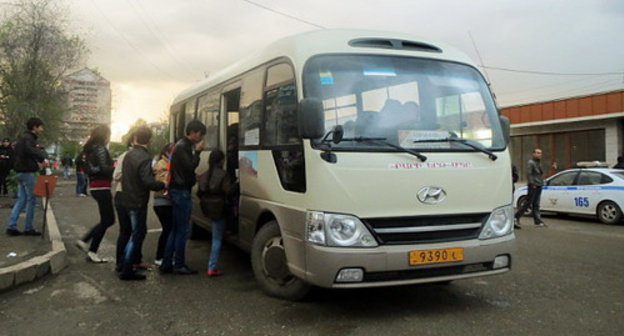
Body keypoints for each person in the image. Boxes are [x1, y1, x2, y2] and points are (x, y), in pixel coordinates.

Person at [117, 126, 165, 280]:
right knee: (137, 235)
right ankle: (127, 268)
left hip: (127, 198)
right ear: (149, 140)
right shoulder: (144, 158)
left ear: (135, 138)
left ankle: (124, 263)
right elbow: (147, 182)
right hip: (138, 201)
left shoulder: (128, 155)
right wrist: (162, 184)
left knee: (132, 233)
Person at [160, 120, 206, 275]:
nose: (200, 138)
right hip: (181, 191)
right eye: (200, 134)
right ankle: (179, 264)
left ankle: (167, 263)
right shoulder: (183, 146)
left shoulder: (179, 145)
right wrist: (198, 152)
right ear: (193, 132)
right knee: (182, 230)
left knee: (174, 229)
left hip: (176, 190)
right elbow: (190, 166)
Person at [76, 126, 115, 262]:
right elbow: (105, 168)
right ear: (104, 136)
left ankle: (90, 248)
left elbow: (88, 168)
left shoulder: (88, 150)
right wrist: (115, 167)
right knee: (109, 220)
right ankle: (87, 243)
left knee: (106, 220)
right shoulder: (100, 149)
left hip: (94, 186)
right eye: (108, 135)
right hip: (102, 186)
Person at [6, 118, 47, 236]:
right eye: (40, 127)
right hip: (27, 171)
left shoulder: (22, 138)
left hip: (19, 171)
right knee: (32, 199)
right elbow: (30, 150)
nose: (42, 129)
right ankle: (28, 228)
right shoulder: (29, 138)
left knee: (22, 199)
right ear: (35, 127)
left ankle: (11, 226)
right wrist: (42, 158)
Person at [198, 149, 236, 277]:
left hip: (208, 208)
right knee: (217, 239)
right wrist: (236, 184)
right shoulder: (223, 174)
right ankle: (212, 267)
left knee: (216, 234)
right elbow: (228, 191)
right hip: (219, 208)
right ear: (221, 160)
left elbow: (200, 192)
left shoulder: (204, 175)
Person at [152, 144, 173, 267]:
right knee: (168, 230)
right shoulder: (162, 165)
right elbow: (165, 182)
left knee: (168, 229)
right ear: (166, 152)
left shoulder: (166, 163)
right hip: (162, 201)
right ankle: (160, 256)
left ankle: (163, 256)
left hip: (164, 201)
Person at [515, 148, 547, 227]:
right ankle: (516, 217)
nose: (539, 154)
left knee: (536, 203)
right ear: (534, 154)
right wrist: (532, 183)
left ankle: (537, 221)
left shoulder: (539, 163)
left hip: (539, 184)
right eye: (537, 153)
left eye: (540, 153)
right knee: (528, 203)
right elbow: (529, 174)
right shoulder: (531, 162)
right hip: (533, 185)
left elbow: (540, 174)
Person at [511, 164, 521, 230]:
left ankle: (512, 222)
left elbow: (516, 177)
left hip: (509, 188)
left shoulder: (512, 166)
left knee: (510, 206)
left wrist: (509, 179)